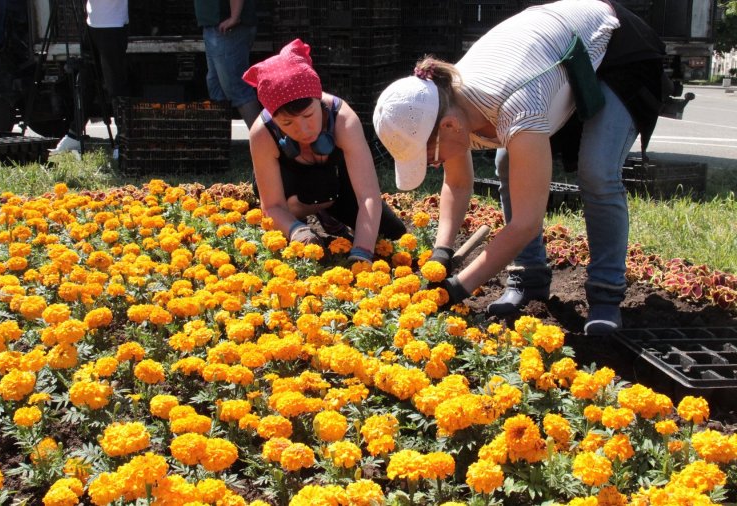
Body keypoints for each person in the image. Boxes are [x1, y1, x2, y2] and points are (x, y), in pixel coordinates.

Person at [373, 0, 668, 335]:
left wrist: (456, 289)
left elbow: (527, 222)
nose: (433, 164)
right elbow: (457, 184)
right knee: (507, 162)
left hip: (616, 46)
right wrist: (441, 254)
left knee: (597, 172)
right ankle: (528, 279)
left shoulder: (516, 104)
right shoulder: (445, 105)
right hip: (551, 50)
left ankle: (605, 295)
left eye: (429, 155)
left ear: (450, 127)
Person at [243, 39, 406, 262]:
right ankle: (309, 211)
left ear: (319, 100)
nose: (303, 130)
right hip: (290, 191)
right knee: (290, 212)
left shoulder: (343, 120)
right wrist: (297, 231)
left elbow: (368, 196)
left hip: (334, 184)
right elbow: (272, 206)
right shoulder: (262, 133)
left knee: (392, 232)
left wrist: (361, 251)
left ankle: (327, 210)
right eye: (288, 124)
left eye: (308, 116)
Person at [51, 0, 130, 154]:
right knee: (86, 81)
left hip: (113, 26)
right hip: (92, 24)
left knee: (116, 86)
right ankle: (74, 133)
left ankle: (123, 141)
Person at [195, 0, 262, 129]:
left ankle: (265, 142)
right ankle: (221, 143)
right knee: (216, 87)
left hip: (228, 29)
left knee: (237, 89)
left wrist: (234, 17)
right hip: (216, 28)